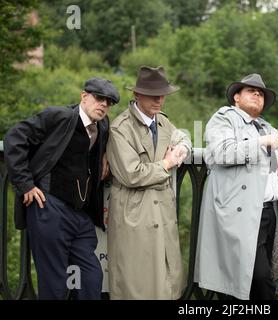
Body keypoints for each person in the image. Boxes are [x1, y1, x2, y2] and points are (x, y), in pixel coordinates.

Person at [4, 77, 120, 299]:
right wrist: (25, 184)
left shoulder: (103, 125)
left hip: (81, 215)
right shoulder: (60, 116)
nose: (104, 105)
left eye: (109, 102)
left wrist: (105, 156)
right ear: (84, 96)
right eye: (99, 98)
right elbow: (14, 138)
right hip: (49, 208)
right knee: (54, 284)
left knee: (92, 276)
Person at [194, 73, 278, 300]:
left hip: (267, 212)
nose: (258, 95)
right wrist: (261, 143)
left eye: (261, 94)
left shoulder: (263, 125)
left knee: (259, 277)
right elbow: (221, 152)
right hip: (239, 213)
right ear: (237, 98)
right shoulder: (224, 118)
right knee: (258, 279)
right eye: (252, 91)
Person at [106, 66, 191, 299]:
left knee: (167, 280)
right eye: (153, 95)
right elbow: (131, 174)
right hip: (135, 212)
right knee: (136, 283)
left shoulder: (162, 122)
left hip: (161, 209)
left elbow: (181, 135)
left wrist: (183, 146)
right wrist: (166, 164)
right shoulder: (120, 128)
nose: (159, 99)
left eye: (162, 94)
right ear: (136, 95)